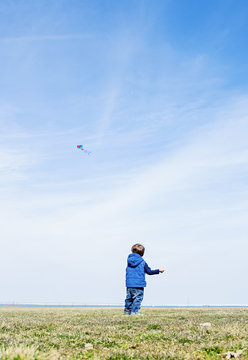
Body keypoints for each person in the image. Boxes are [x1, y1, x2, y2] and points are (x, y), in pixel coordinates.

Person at [124, 243, 164, 316]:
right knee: (137, 298)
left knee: (129, 298)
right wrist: (158, 270)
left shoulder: (129, 261)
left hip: (129, 284)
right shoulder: (142, 262)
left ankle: (127, 312)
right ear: (142, 253)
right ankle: (134, 312)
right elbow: (149, 271)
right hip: (139, 284)